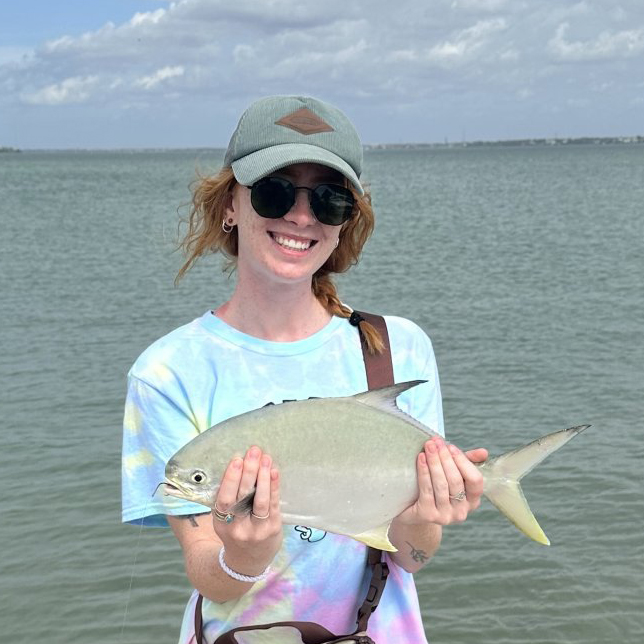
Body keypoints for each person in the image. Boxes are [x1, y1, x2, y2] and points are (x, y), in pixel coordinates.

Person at [121, 95, 488, 644]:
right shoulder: (168, 371)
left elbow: (412, 556)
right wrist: (244, 556)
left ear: (345, 222)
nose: (300, 216)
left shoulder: (395, 348)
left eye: (329, 200)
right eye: (273, 191)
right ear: (229, 204)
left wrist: (426, 515)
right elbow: (207, 572)